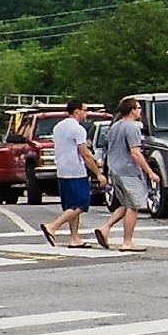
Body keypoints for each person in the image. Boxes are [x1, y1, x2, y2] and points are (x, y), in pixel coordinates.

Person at [40, 101, 107, 249]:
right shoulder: (78, 129)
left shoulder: (58, 127)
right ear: (76, 111)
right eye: (85, 110)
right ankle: (52, 226)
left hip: (62, 169)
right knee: (82, 204)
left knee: (71, 206)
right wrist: (98, 173)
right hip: (76, 170)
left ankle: (74, 238)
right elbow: (85, 153)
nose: (86, 113)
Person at [101, 97, 155, 251]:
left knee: (125, 204)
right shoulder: (132, 128)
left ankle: (105, 227)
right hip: (129, 171)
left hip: (115, 170)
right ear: (132, 110)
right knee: (133, 207)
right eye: (138, 108)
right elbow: (135, 153)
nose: (140, 111)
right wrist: (150, 172)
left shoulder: (115, 126)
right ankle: (127, 242)